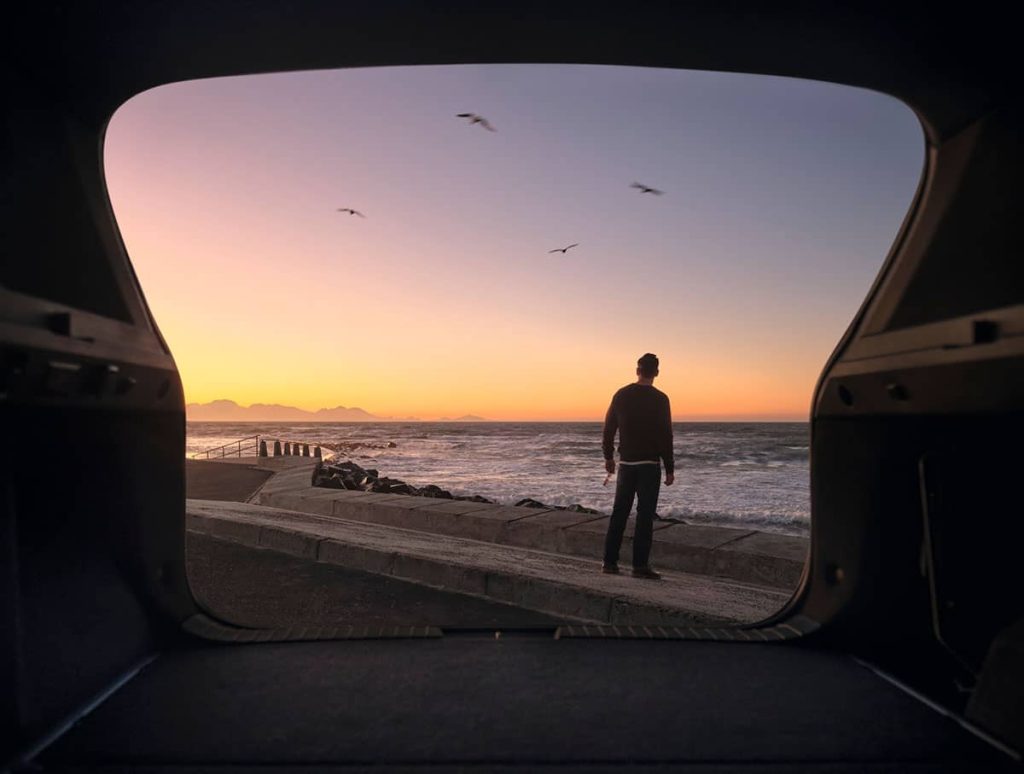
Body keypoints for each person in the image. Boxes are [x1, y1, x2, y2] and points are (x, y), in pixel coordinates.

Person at [601, 353, 674, 579]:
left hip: (627, 464)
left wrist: (609, 457)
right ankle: (639, 566)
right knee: (644, 515)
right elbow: (665, 435)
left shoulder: (621, 395)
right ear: (657, 373)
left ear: (637, 370)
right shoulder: (661, 399)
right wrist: (669, 467)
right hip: (649, 465)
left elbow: (609, 428)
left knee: (619, 512)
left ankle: (609, 563)